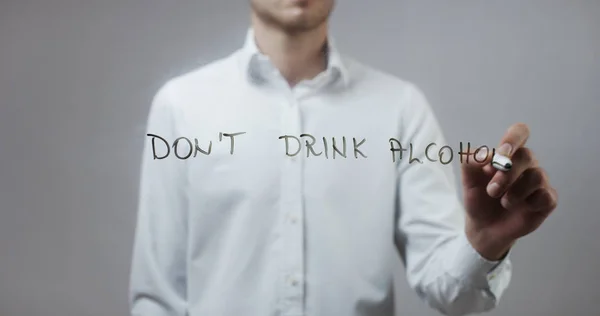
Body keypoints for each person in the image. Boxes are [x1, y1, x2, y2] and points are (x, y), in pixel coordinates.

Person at [129, 1, 558, 315]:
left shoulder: (399, 108)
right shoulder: (181, 107)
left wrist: (483, 242)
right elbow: (157, 298)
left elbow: (454, 293)